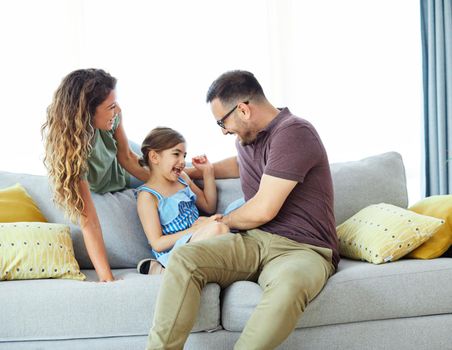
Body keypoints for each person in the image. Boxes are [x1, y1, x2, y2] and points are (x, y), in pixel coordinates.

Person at [146, 70, 340, 350]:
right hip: (255, 241)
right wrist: (193, 171)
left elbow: (263, 210)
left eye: (222, 122)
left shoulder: (295, 133)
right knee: (185, 258)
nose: (224, 131)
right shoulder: (249, 139)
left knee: (289, 287)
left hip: (303, 249)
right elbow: (241, 164)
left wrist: (218, 220)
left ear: (244, 109)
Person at [41, 68, 150, 282]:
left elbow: (127, 157)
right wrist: (106, 278)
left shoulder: (114, 116)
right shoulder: (71, 152)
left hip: (120, 163)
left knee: (175, 168)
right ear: (86, 112)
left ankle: (189, 170)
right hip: (101, 177)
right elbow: (88, 221)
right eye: (110, 106)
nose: (117, 109)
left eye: (116, 103)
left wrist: (164, 180)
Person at [135, 127, 229, 274]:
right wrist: (195, 229)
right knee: (219, 228)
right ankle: (166, 267)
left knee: (239, 207)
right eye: (176, 154)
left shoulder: (182, 179)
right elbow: (157, 244)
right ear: (154, 157)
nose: (183, 161)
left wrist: (208, 171)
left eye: (184, 155)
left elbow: (209, 206)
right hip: (176, 248)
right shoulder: (147, 196)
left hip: (198, 237)